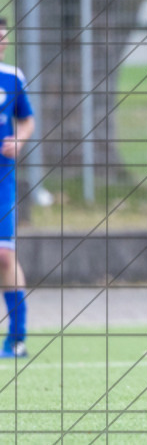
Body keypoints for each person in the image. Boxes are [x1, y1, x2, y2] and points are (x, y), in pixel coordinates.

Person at [0, 18, 35, 359]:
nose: (2, 43)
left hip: (2, 178)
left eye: (4, 38)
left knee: (4, 254)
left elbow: (26, 118)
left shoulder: (12, 77)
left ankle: (16, 337)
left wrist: (19, 140)